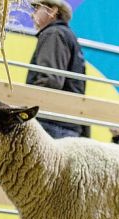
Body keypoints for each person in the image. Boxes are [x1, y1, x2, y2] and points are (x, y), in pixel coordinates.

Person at [26, 0, 87, 138]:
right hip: (66, 122)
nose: (32, 15)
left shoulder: (54, 34)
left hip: (51, 122)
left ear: (52, 11)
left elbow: (50, 80)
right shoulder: (68, 35)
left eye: (37, 9)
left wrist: (28, 106)